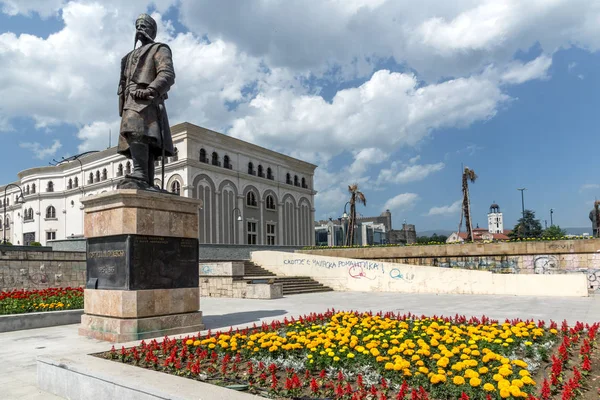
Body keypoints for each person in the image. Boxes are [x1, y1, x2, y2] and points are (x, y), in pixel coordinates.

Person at [117, 13, 175, 190]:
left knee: (136, 131)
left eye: (145, 25)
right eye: (138, 26)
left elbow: (167, 74)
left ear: (152, 30)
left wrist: (151, 90)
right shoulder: (128, 57)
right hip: (130, 98)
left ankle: (140, 174)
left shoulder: (159, 49)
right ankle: (146, 179)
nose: (140, 29)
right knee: (140, 135)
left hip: (146, 99)